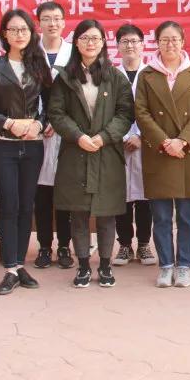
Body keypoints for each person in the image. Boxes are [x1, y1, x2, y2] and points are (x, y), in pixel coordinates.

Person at [47, 19, 135, 289]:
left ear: (103, 43)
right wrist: (78, 136)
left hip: (106, 154)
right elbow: (56, 113)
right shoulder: (65, 77)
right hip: (76, 153)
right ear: (76, 43)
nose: (90, 43)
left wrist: (104, 137)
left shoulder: (115, 76)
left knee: (107, 213)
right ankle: (84, 265)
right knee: (79, 214)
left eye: (95, 38)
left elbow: (125, 114)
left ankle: (106, 265)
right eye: (85, 38)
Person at [0, 10, 50, 295]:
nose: (19, 34)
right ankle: (9, 268)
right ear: (4, 34)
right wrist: (8, 123)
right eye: (13, 29)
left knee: (26, 205)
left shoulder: (38, 65)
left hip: (32, 144)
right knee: (8, 204)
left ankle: (19, 265)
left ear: (31, 33)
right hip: (3, 144)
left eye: (24, 29)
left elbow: (50, 104)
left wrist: (38, 124)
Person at [135, 20, 190, 288]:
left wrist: (183, 141)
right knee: (162, 217)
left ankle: (184, 265)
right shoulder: (147, 75)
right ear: (157, 43)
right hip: (159, 153)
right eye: (164, 40)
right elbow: (141, 112)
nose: (170, 44)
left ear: (183, 42)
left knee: (187, 217)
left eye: (174, 39)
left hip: (186, 153)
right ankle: (166, 265)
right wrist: (165, 142)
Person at [34, 1, 75, 270]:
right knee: (41, 194)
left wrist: (59, 122)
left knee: (64, 193)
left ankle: (64, 246)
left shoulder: (73, 54)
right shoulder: (30, 53)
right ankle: (44, 246)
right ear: (39, 23)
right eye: (47, 18)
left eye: (57, 18)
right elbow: (25, 93)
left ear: (64, 22)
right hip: (35, 132)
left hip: (66, 133)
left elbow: (78, 94)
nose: (52, 23)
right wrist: (40, 122)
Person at [112, 24, 156, 267]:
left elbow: (157, 112)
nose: (130, 46)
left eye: (134, 41)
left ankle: (144, 244)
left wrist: (139, 135)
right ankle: (125, 245)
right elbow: (105, 112)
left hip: (145, 144)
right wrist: (120, 136)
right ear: (117, 46)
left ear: (142, 45)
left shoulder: (152, 74)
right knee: (122, 197)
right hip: (117, 144)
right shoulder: (110, 75)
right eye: (125, 41)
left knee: (145, 197)